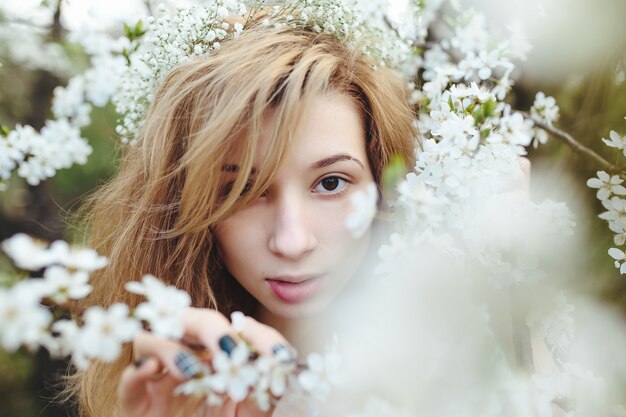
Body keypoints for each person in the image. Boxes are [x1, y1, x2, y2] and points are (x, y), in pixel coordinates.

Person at [69, 9, 417, 417]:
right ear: (184, 203)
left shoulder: (478, 362)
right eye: (240, 190)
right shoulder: (174, 388)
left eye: (331, 183)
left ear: (385, 183)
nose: (292, 241)